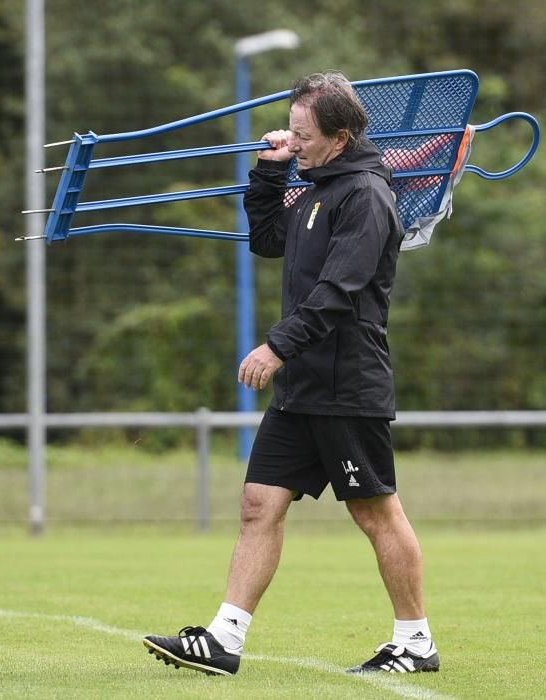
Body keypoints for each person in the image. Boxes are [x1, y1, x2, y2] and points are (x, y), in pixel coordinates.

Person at [143, 70, 439, 676]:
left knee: (376, 513)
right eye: (292, 129)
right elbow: (268, 240)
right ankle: (225, 640)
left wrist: (276, 347)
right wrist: (271, 170)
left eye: (303, 134)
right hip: (302, 388)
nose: (293, 139)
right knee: (258, 504)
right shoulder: (314, 186)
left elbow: (339, 291)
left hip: (347, 386)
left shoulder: (367, 196)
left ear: (342, 135)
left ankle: (415, 643)